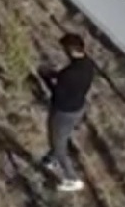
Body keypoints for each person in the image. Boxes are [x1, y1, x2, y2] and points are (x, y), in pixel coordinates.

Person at [39, 33, 96, 192]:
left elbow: (56, 93)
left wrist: (45, 78)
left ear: (70, 50)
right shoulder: (88, 64)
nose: (63, 51)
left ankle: (72, 179)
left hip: (63, 111)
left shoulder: (69, 74)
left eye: (64, 49)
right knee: (63, 136)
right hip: (78, 107)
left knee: (58, 144)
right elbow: (67, 80)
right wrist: (55, 75)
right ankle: (51, 159)